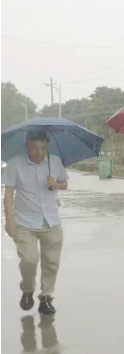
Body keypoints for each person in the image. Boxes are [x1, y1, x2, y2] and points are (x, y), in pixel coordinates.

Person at [2, 130, 68, 315]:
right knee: (29, 260)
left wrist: (56, 184)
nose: (40, 152)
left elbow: (64, 184)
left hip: (51, 221)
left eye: (44, 148)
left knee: (51, 262)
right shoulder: (15, 163)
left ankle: (46, 297)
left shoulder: (55, 161)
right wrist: (8, 220)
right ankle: (27, 288)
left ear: (48, 146)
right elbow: (8, 194)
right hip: (24, 222)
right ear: (28, 145)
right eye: (36, 148)